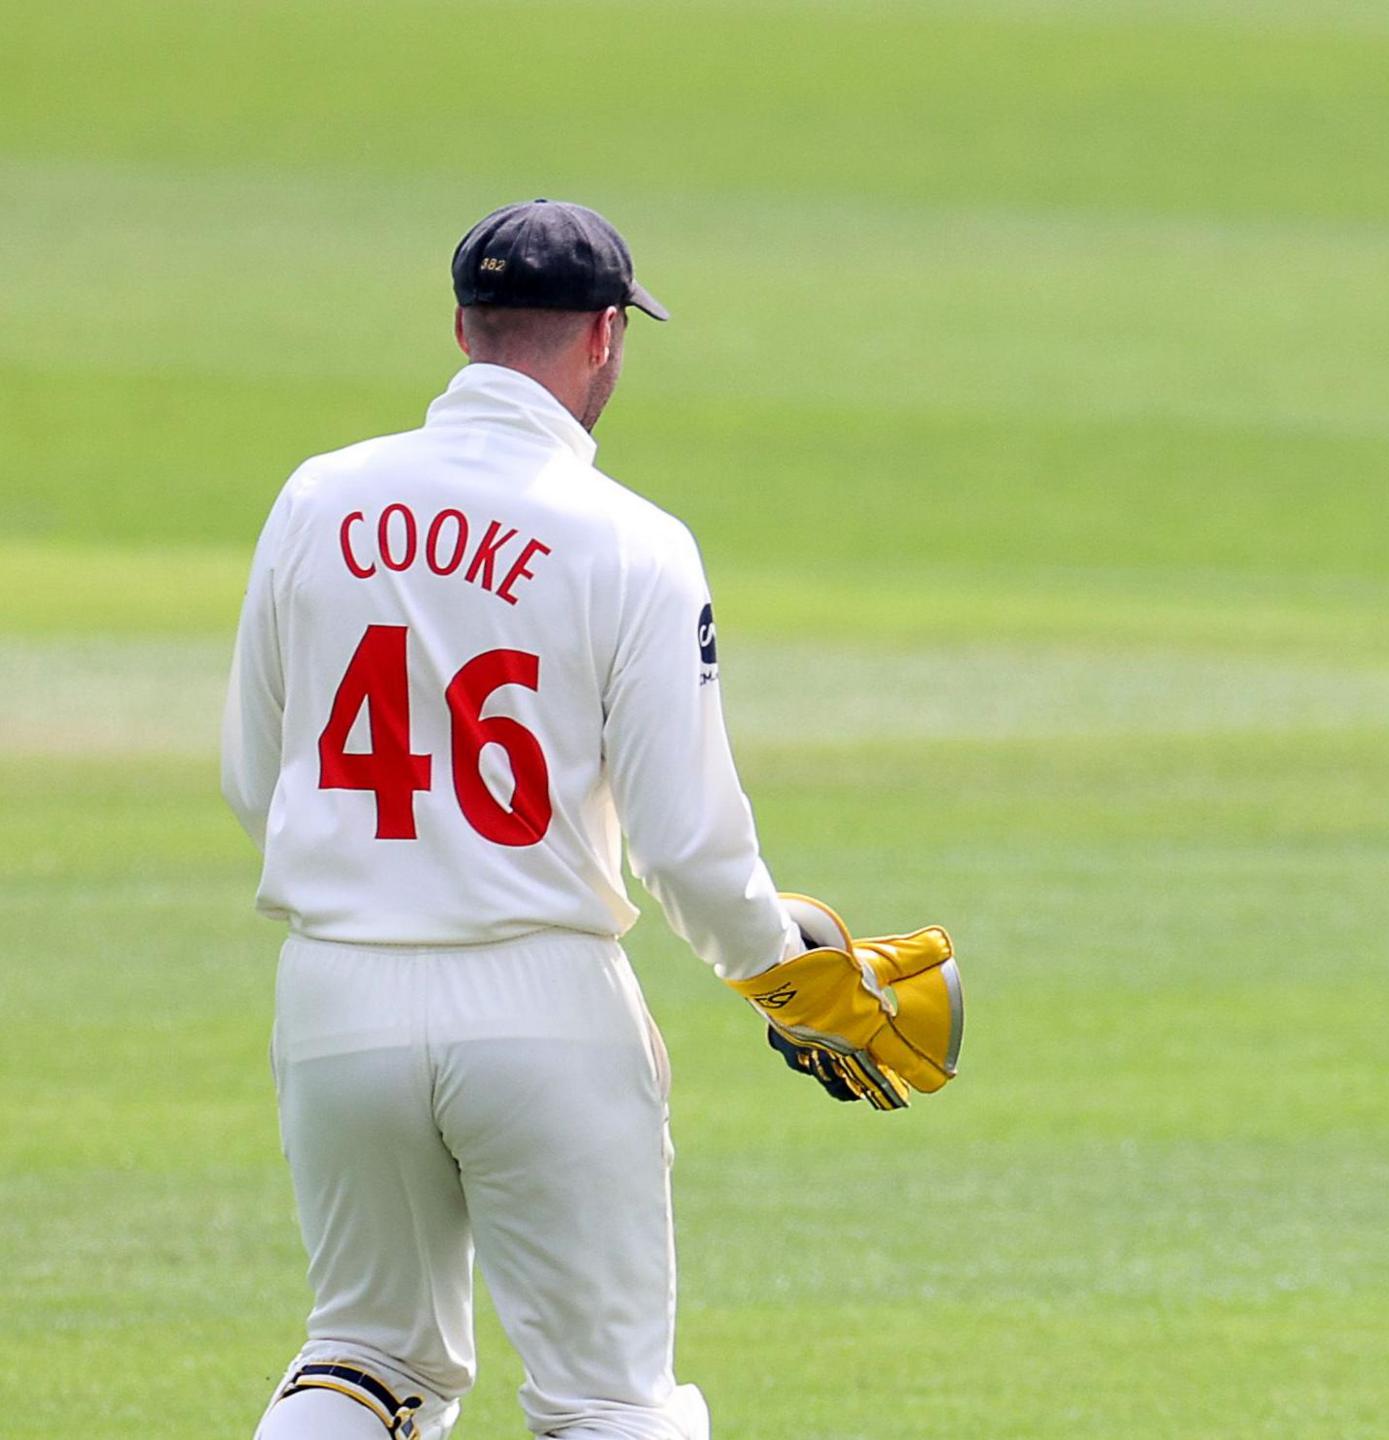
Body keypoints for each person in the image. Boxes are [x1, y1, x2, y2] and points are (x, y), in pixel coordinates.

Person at [220, 199, 890, 1440]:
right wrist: (781, 975)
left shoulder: (317, 499)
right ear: (604, 339)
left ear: (464, 329)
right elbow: (686, 841)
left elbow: (255, 778)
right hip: (540, 999)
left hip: (335, 998)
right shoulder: (632, 542)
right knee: (609, 1400)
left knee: (366, 1363)